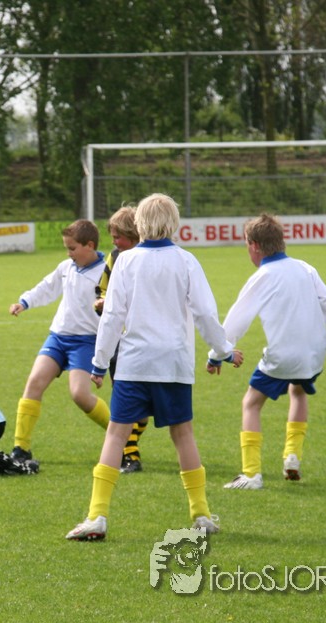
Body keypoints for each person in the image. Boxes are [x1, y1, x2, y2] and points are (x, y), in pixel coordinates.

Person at [66, 193, 242, 542]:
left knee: (116, 434)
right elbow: (205, 313)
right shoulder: (186, 260)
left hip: (134, 363)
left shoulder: (127, 261)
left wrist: (99, 363)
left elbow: (112, 315)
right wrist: (223, 350)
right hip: (174, 363)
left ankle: (97, 516)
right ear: (174, 223)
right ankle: (201, 514)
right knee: (183, 434)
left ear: (140, 223)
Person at [211, 213, 326, 490]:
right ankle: (292, 456)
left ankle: (251, 474)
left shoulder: (262, 276)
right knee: (298, 391)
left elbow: (237, 318)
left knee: (251, 403)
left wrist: (218, 353)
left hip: (283, 356)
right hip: (314, 354)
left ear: (254, 245)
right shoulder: (305, 268)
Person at [8, 219, 111, 471]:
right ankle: (21, 448)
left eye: (72, 248)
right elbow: (47, 287)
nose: (68, 253)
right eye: (66, 248)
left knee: (80, 395)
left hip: (86, 341)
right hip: (58, 337)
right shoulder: (66, 267)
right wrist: (24, 302)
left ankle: (120, 435)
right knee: (34, 383)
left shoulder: (106, 272)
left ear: (90, 245)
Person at [93, 205, 150, 474]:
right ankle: (131, 455)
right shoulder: (115, 257)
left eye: (118, 237)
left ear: (134, 234)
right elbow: (102, 288)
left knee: (143, 405)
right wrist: (101, 302)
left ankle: (129, 448)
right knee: (124, 398)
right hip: (119, 339)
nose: (114, 242)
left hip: (145, 339)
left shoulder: (148, 258)